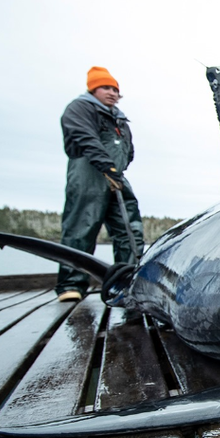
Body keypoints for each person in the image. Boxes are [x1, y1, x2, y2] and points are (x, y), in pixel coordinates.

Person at [55, 66, 145, 302]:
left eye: (116, 90)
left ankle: (130, 282)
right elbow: (85, 138)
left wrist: (118, 169)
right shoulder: (80, 108)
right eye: (106, 88)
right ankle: (71, 284)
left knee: (130, 230)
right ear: (93, 89)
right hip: (89, 174)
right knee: (81, 228)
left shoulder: (119, 118)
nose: (113, 93)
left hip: (116, 177)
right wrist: (107, 167)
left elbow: (128, 148)